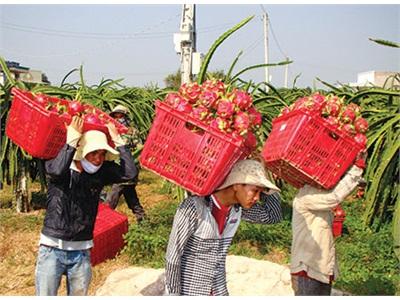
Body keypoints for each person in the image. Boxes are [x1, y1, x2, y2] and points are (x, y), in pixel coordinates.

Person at [35, 115, 137, 296]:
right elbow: (57, 171)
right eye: (93, 153)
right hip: (52, 248)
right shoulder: (59, 165)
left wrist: (119, 142)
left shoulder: (101, 173)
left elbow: (130, 173)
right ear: (81, 150)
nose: (98, 159)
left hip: (81, 251)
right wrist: (71, 141)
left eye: (101, 154)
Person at [164, 159, 283, 296]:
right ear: (236, 185)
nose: (257, 197)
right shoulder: (194, 208)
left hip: (219, 291)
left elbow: (273, 216)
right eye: (255, 191)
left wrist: (266, 186)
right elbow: (173, 257)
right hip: (191, 292)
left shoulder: (237, 210)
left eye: (260, 193)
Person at [290, 152, 367, 296]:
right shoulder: (305, 196)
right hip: (308, 269)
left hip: (319, 267)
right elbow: (333, 197)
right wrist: (356, 169)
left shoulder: (315, 193)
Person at [105, 104, 145, 223]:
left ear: (125, 116)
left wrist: (132, 164)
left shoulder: (132, 132)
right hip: (116, 169)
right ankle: (143, 220)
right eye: (115, 116)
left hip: (126, 171)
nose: (118, 118)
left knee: (111, 200)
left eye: (120, 115)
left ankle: (104, 222)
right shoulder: (111, 131)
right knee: (131, 197)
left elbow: (139, 149)